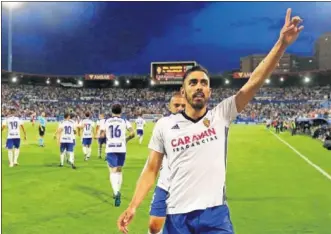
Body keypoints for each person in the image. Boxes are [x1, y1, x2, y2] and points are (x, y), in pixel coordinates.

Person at [117, 8, 303, 233]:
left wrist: (281, 44)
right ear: (183, 91)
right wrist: (133, 205)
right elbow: (151, 170)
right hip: (176, 216)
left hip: (214, 215)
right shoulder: (164, 126)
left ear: (209, 91)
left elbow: (255, 80)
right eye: (193, 83)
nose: (199, 87)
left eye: (203, 83)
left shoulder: (221, 115)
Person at [148, 92, 186, 234]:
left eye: (183, 105)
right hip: (165, 184)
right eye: (177, 105)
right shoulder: (163, 124)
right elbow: (153, 160)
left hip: (186, 188)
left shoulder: (197, 125)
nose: (180, 108)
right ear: (170, 107)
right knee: (154, 226)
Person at [100, 103, 135, 207]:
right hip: (121, 148)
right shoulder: (124, 121)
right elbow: (133, 133)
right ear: (121, 111)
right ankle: (117, 190)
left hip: (110, 148)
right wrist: (126, 140)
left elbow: (101, 134)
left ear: (111, 111)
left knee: (112, 170)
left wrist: (105, 138)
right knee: (119, 170)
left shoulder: (106, 121)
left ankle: (116, 193)